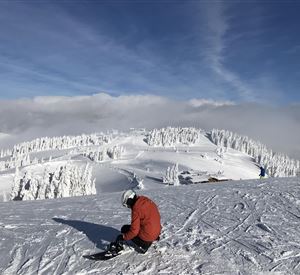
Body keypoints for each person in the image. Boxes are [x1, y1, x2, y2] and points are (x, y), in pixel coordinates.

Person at [114, 189, 161, 254]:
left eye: (127, 204)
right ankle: (150, 239)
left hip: (148, 235)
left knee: (125, 229)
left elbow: (134, 231)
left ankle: (144, 246)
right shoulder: (146, 200)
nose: (129, 207)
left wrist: (123, 237)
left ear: (129, 201)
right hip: (157, 232)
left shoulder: (136, 209)